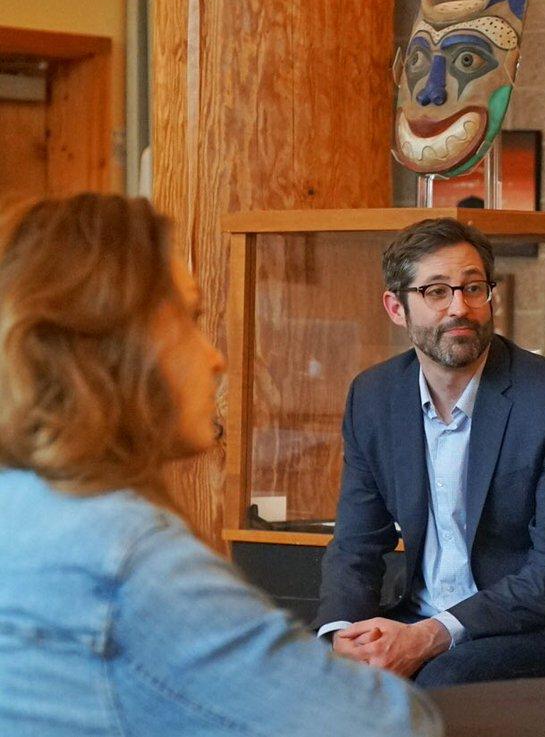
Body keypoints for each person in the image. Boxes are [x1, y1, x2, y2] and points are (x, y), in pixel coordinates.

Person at [0, 194, 433, 736]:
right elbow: (384, 726)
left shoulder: (21, 505)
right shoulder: (130, 560)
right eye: (189, 318)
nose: (216, 357)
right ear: (111, 344)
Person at [316, 218, 545, 687]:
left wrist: (431, 635)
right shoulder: (374, 397)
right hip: (423, 614)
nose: (460, 308)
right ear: (396, 307)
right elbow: (355, 542)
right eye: (436, 292)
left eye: (473, 288)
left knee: (441, 682)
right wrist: (342, 634)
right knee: (316, 675)